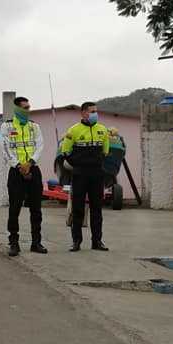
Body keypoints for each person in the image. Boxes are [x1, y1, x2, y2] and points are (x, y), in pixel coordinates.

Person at [0, 96, 46, 257]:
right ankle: (14, 243)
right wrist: (19, 166)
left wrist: (30, 163)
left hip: (33, 169)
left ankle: (36, 242)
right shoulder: (7, 126)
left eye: (29, 107)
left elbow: (40, 146)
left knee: (36, 209)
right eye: (25, 107)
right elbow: (5, 148)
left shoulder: (34, 126)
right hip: (16, 172)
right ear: (17, 109)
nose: (28, 110)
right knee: (14, 209)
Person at [60, 101, 110, 251]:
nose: (95, 114)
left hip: (97, 174)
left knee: (97, 209)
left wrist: (97, 163)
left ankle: (97, 241)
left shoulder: (102, 130)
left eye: (96, 111)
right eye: (92, 111)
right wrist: (78, 164)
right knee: (78, 208)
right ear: (83, 113)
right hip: (80, 173)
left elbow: (106, 151)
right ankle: (76, 241)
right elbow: (65, 151)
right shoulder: (73, 130)